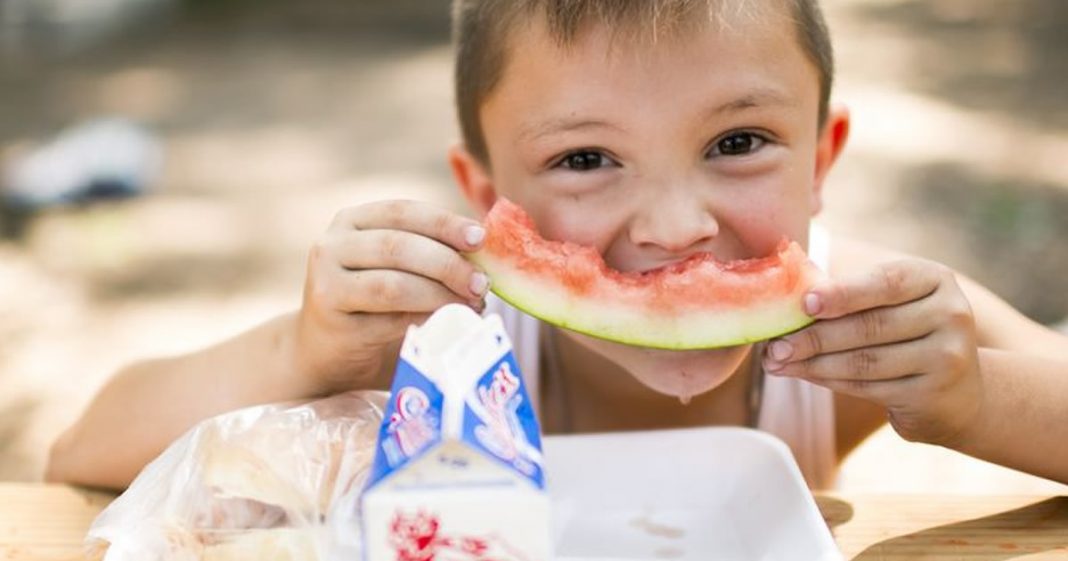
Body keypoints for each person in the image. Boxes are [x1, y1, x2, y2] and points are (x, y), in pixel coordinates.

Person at [48, 0, 1068, 490]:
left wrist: (974, 399)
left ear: (820, 160)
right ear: (489, 200)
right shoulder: (448, 350)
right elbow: (81, 453)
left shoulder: (863, 332)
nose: (674, 229)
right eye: (586, 159)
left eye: (739, 142)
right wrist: (300, 352)